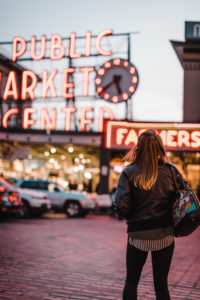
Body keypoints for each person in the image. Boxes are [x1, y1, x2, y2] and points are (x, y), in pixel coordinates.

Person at [114, 129, 183, 300]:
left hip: (137, 234)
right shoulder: (172, 171)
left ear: (139, 147)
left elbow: (121, 207)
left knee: (131, 282)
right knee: (161, 285)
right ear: (160, 148)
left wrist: (134, 216)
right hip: (165, 234)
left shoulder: (129, 172)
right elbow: (183, 200)